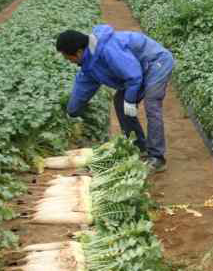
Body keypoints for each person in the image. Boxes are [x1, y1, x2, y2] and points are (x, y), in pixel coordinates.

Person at [56, 25, 176, 172]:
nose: (69, 61)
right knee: (120, 102)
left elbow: (133, 75)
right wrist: (72, 110)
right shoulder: (88, 65)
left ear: (79, 52)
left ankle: (157, 158)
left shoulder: (108, 49)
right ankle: (139, 147)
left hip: (156, 63)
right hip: (138, 70)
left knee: (152, 104)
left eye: (69, 58)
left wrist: (130, 100)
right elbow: (82, 88)